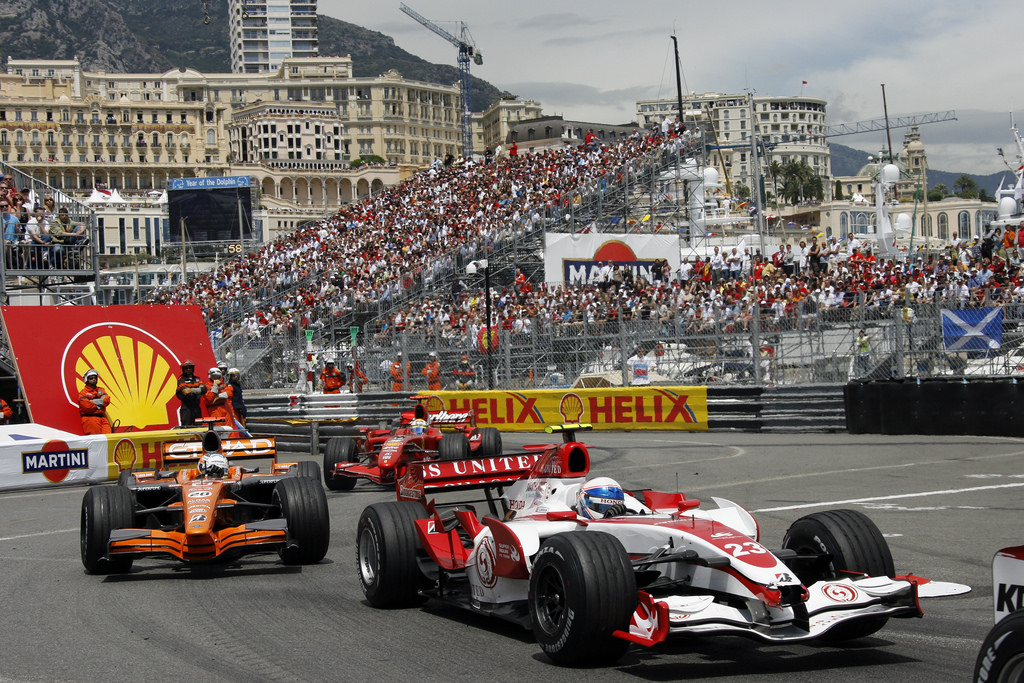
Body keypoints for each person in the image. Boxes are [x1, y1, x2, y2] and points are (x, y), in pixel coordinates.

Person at [78, 368, 111, 434]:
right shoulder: (83, 393)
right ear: (86, 379)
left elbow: (107, 400)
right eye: (91, 378)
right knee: (96, 441)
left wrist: (93, 401)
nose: (94, 379)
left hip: (103, 419)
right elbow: (87, 406)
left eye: (95, 378)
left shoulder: (101, 390)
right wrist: (101, 402)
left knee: (108, 439)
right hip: (90, 420)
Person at [175, 360, 206, 427]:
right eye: (186, 368)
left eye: (190, 368)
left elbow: (204, 389)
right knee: (186, 427)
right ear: (183, 369)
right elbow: (185, 392)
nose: (188, 369)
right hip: (186, 407)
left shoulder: (197, 379)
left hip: (197, 407)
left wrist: (191, 390)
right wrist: (198, 391)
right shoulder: (181, 380)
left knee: (199, 427)